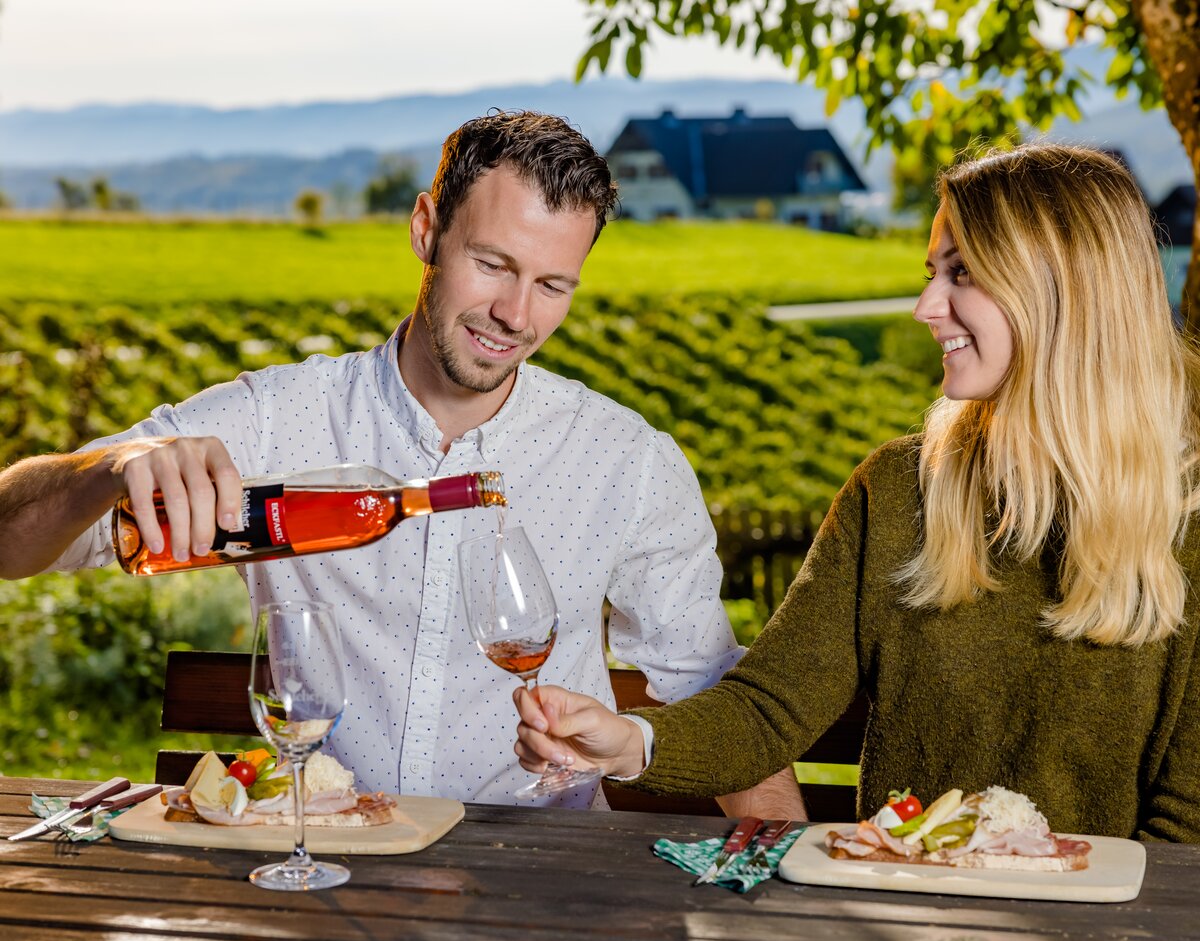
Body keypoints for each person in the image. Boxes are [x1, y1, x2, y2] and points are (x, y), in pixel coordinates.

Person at [0, 110, 800, 813]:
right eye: (493, 265)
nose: (515, 316)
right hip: (329, 854)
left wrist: (799, 898)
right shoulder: (280, 417)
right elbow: (11, 540)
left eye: (553, 284)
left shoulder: (627, 461)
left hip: (541, 882)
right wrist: (108, 471)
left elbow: (711, 694)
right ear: (426, 229)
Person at [514, 142, 1200, 841]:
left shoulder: (1190, 526)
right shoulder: (899, 492)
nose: (926, 307)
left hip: (1103, 936)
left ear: (1064, 292)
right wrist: (632, 744)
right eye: (932, 272)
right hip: (903, 918)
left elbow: (1187, 825)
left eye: (962, 273)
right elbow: (768, 709)